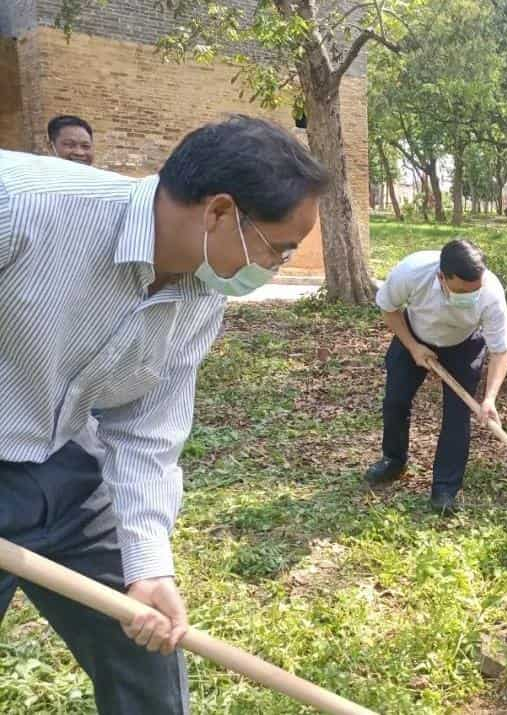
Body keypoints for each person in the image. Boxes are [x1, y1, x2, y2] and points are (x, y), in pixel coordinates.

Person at [0, 115, 326, 713]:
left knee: (146, 651)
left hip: (66, 464)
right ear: (220, 212)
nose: (277, 267)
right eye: (278, 249)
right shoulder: (23, 206)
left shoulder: (203, 293)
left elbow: (147, 433)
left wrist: (149, 567)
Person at [363, 239, 507, 514]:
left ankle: (445, 488)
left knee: (457, 416)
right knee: (395, 401)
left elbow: (500, 351)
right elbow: (388, 308)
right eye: (462, 291)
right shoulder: (413, 271)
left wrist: (490, 398)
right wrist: (413, 346)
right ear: (441, 277)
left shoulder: (490, 293)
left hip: (463, 344)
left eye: (474, 290)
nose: (471, 295)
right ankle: (393, 460)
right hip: (415, 336)